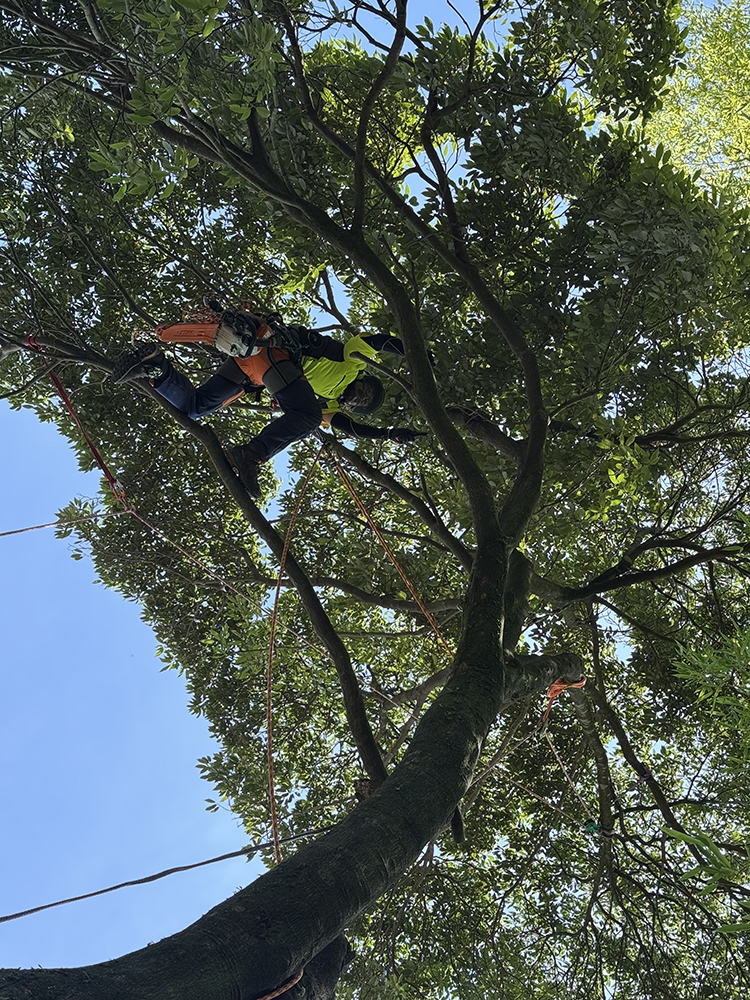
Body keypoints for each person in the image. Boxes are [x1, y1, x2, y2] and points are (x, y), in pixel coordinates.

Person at [111, 313, 424, 497]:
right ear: (366, 377)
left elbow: (351, 427)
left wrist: (387, 434)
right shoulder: (350, 361)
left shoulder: (330, 403)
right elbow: (379, 341)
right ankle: (251, 454)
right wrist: (413, 353)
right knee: (308, 415)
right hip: (273, 351)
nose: (359, 399)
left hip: (255, 368)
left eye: (362, 404)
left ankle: (153, 366)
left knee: (195, 407)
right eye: (367, 392)